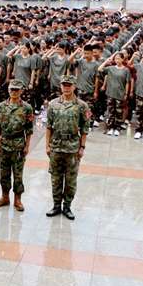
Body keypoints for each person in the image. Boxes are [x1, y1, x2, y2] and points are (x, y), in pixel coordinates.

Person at [45, 74, 90, 221]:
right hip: (56, 146)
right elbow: (49, 127)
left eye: (69, 85)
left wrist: (82, 147)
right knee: (55, 178)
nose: (66, 88)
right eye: (64, 85)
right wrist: (47, 146)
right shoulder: (53, 104)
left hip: (72, 147)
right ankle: (56, 205)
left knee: (70, 180)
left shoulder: (82, 106)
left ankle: (67, 207)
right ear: (60, 86)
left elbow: (85, 128)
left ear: (74, 87)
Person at [0, 79, 33, 211]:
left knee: (18, 174)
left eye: (16, 90)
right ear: (8, 90)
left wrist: (27, 146)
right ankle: (5, 197)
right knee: (4, 173)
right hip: (4, 144)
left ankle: (18, 199)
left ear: (21, 91)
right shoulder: (1, 106)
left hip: (18, 145)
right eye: (12, 89)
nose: (14, 92)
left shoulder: (26, 108)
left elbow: (29, 130)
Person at [98, 51, 131, 136]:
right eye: (116, 58)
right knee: (110, 111)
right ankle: (110, 128)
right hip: (110, 93)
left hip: (120, 94)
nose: (117, 60)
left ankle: (117, 128)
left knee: (119, 112)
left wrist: (126, 94)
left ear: (122, 59)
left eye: (119, 58)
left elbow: (127, 83)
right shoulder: (111, 68)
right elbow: (100, 69)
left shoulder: (126, 70)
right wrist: (106, 61)